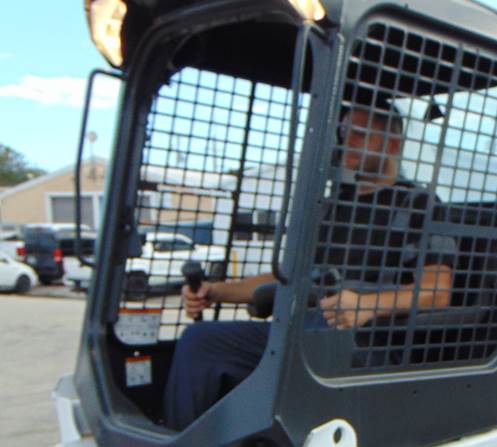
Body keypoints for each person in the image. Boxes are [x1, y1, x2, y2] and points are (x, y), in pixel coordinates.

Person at [162, 104, 454, 430]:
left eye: (359, 134)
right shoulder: (332, 207)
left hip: (367, 343)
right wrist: (214, 292)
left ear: (392, 144)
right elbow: (287, 276)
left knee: (222, 348)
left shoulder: (420, 205)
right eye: (344, 133)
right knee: (199, 342)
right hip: (307, 332)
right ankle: (185, 443)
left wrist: (366, 305)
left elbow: (437, 291)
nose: (346, 141)